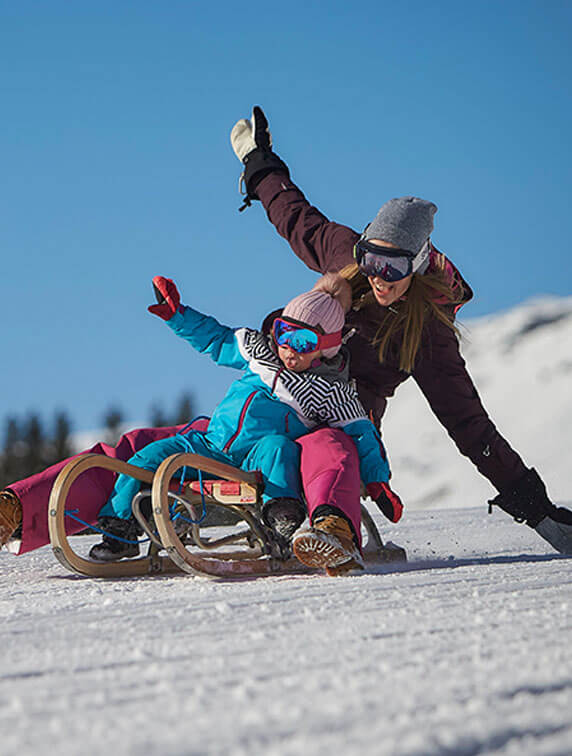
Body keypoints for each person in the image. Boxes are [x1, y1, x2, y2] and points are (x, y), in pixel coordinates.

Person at [229, 105, 572, 555]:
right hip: (290, 383)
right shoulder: (344, 255)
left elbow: (469, 425)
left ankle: (329, 525)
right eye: (372, 260)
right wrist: (258, 160)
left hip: (350, 416)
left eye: (393, 267)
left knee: (329, 446)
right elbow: (293, 215)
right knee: (251, 425)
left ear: (418, 263)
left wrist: (539, 510)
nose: (379, 277)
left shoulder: (426, 332)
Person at [85, 273, 399, 575]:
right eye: (284, 333)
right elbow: (216, 338)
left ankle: (282, 520)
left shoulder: (330, 391)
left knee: (280, 448)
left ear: (326, 346)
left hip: (255, 458)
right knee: (148, 457)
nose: (289, 348)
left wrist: (378, 482)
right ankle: (119, 533)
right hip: (210, 444)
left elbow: (362, 433)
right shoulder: (260, 351)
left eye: (303, 341)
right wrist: (177, 315)